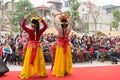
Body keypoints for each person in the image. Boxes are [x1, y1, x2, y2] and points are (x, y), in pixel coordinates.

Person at [19, 15, 48, 79]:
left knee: (29, 60)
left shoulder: (30, 31)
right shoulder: (39, 31)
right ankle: (42, 73)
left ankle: (27, 73)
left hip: (31, 48)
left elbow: (23, 26)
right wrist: (42, 20)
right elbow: (46, 26)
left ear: (32, 25)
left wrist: (25, 19)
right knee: (39, 60)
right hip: (38, 48)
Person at [52, 13, 72, 77]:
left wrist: (54, 17)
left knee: (60, 59)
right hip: (66, 46)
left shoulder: (59, 29)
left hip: (60, 46)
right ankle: (66, 70)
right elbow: (71, 24)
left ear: (61, 24)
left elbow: (54, 24)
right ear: (67, 24)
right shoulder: (68, 30)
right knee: (66, 58)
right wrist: (68, 17)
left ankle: (61, 70)